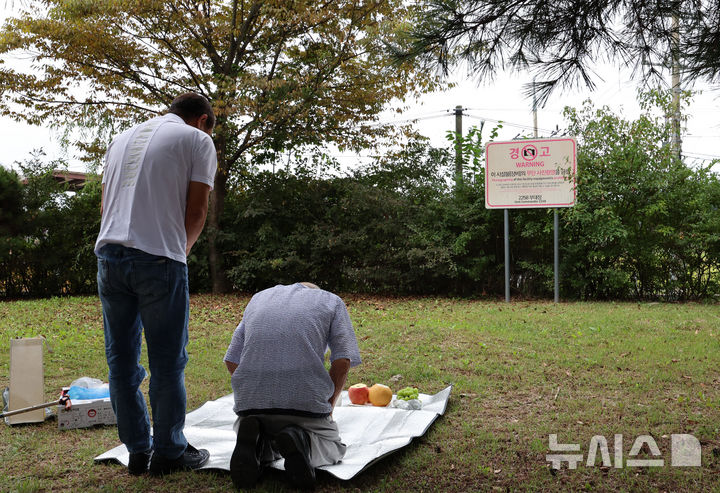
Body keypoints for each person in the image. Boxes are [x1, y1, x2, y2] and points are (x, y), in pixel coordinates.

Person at [94, 93, 217, 476]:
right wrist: (177, 252)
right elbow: (196, 212)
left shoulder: (120, 138)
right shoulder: (198, 140)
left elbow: (103, 208)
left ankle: (136, 451)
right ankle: (169, 454)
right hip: (159, 258)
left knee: (121, 363)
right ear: (201, 120)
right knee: (167, 363)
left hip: (109, 258)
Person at [223, 282, 362, 490]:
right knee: (333, 447)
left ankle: (259, 445)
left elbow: (231, 359)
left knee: (266, 433)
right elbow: (342, 360)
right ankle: (303, 442)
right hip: (304, 404)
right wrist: (328, 406)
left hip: (250, 407)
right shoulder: (331, 301)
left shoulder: (258, 299)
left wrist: (253, 390)